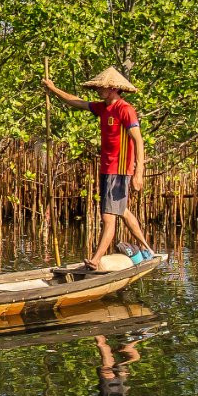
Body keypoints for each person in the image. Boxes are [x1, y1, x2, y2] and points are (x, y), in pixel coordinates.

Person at [41, 67, 152, 270]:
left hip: (118, 170)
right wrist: (54, 89)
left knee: (108, 217)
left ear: (112, 88)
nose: (98, 91)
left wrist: (139, 173)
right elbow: (78, 102)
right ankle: (147, 249)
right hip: (107, 169)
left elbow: (138, 140)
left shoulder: (125, 109)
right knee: (123, 211)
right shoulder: (103, 108)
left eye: (101, 88)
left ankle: (95, 259)